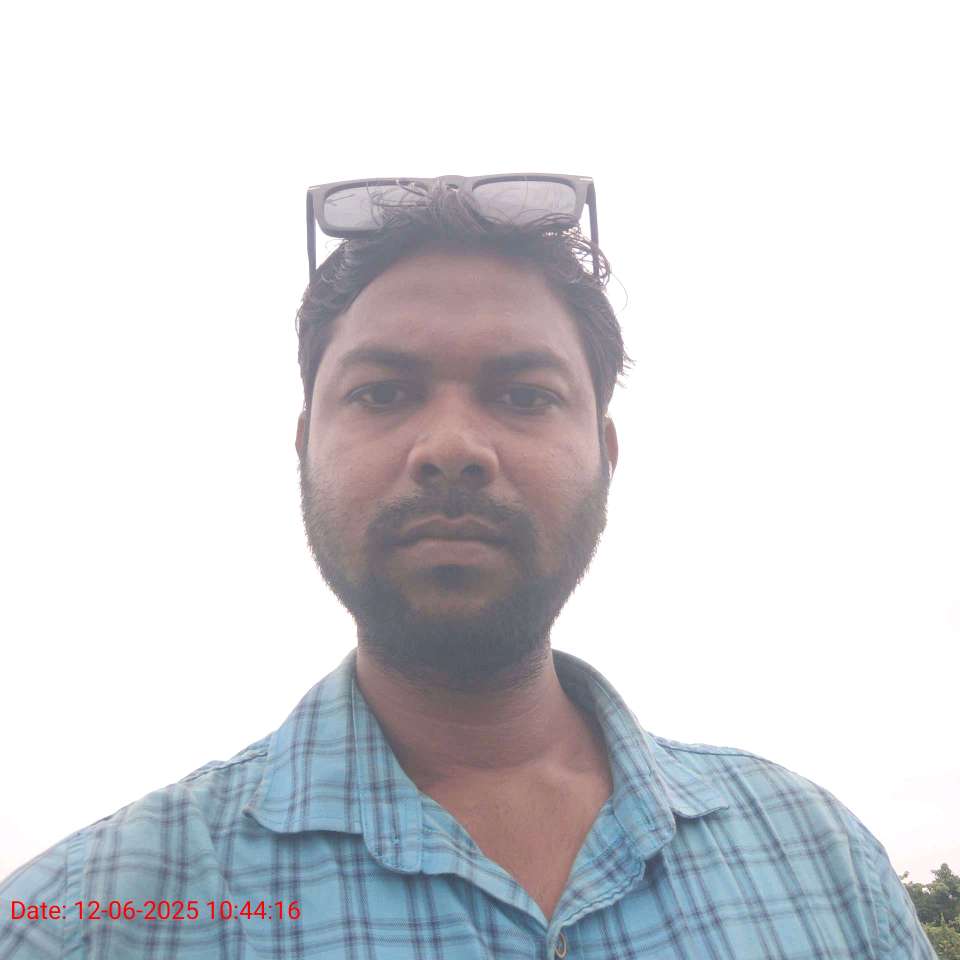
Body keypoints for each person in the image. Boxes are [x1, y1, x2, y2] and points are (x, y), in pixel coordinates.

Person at [0, 175, 934, 959]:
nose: (452, 447)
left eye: (524, 395)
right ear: (305, 449)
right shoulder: (84, 921)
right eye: (383, 393)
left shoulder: (823, 863)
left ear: (606, 454)